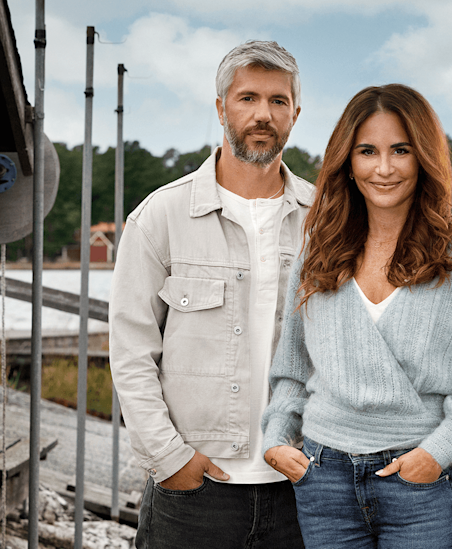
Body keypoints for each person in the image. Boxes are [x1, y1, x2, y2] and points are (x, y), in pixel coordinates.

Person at [261, 84, 452, 549]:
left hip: (420, 483)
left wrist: (436, 455)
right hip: (323, 481)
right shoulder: (317, 253)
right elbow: (291, 371)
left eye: (401, 150)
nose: (383, 168)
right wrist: (277, 438)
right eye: (367, 151)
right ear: (348, 163)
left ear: (424, 158)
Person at [109, 40, 312, 549]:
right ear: (220, 107)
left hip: (303, 488)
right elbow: (131, 353)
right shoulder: (160, 217)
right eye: (247, 98)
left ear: (295, 113)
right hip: (194, 495)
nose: (263, 114)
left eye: (278, 100)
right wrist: (171, 460)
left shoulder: (326, 219)